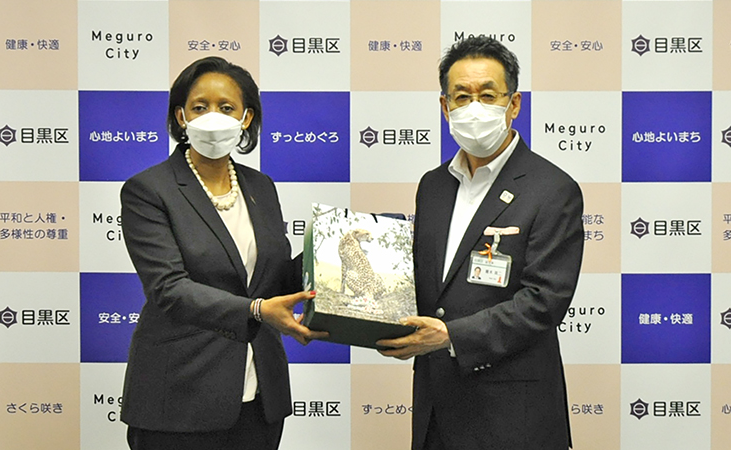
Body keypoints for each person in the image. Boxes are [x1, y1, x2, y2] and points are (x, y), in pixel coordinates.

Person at [377, 37, 585, 449]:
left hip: (512, 415)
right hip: (437, 407)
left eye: (488, 96)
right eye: (462, 96)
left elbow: (543, 302)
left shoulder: (552, 189)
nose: (474, 108)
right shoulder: (433, 186)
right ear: (445, 107)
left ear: (514, 104)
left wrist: (450, 336)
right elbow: (426, 282)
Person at [119, 56, 326, 450]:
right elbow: (168, 289)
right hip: (179, 397)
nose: (212, 116)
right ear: (181, 116)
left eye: (226, 107)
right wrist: (256, 311)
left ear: (246, 118)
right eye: (200, 106)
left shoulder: (260, 187)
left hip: (260, 397)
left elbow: (273, 279)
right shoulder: (149, 190)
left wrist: (334, 252)